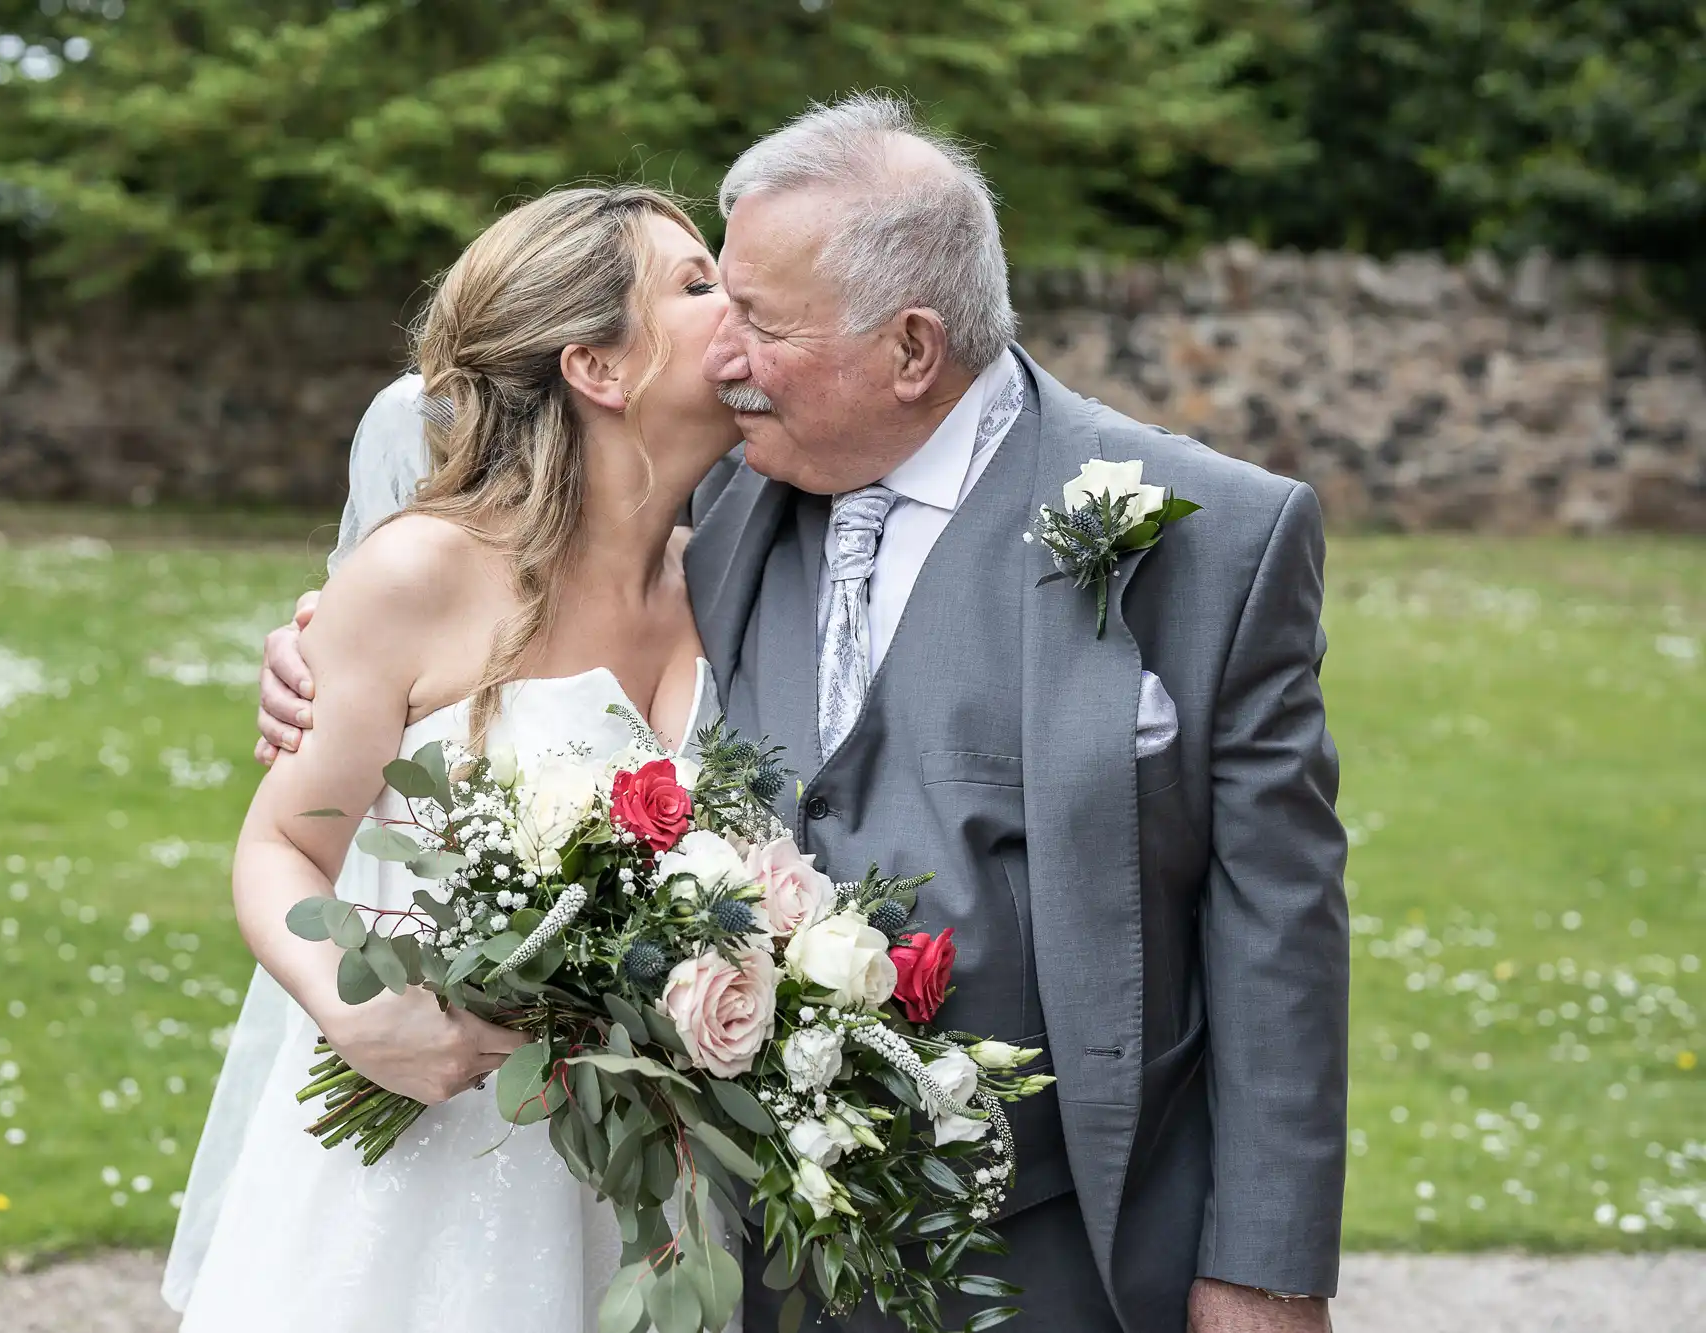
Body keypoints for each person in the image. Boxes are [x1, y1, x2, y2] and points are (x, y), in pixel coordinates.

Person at [255, 96, 1349, 1333]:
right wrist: (328, 646)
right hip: (725, 1240)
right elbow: (512, 570)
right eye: (709, 297)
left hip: (1061, 1245)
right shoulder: (716, 484)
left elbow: (1277, 929)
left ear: (910, 349)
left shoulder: (1207, 538)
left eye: (760, 320)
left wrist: (1263, 1273)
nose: (726, 355)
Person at [163, 184, 744, 1332]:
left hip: (649, 1182)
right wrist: (354, 1012)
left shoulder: (731, 578)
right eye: (697, 283)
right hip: (424, 1157)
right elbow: (281, 841)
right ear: (599, 368)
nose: (742, 301)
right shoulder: (421, 572)